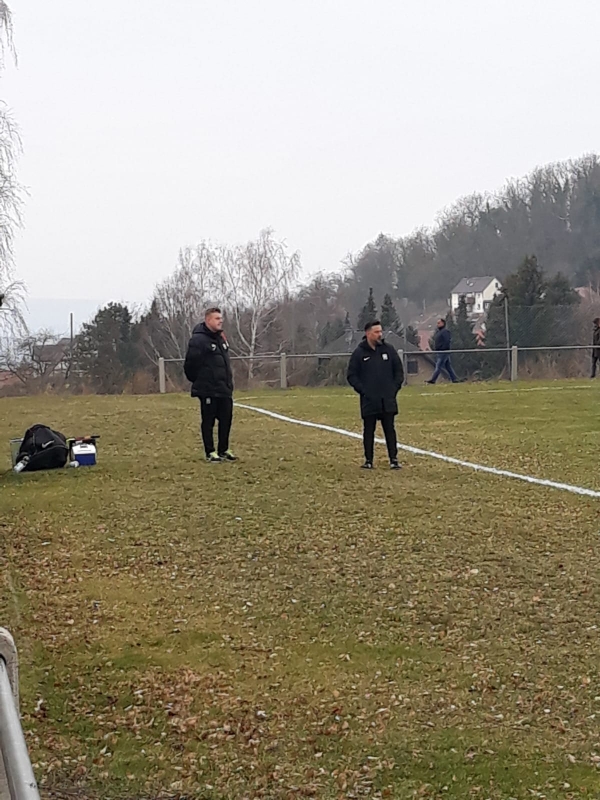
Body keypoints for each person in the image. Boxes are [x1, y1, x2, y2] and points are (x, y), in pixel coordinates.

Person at [347, 320, 404, 470]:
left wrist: (393, 389)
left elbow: (398, 371)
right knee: (369, 430)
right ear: (368, 333)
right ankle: (368, 460)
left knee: (389, 429)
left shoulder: (388, 350)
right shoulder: (359, 353)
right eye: (376, 332)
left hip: (387, 399)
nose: (380, 334)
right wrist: (364, 391)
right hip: (369, 400)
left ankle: (393, 459)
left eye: (380, 331)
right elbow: (352, 375)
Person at [184, 307, 237, 463]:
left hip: (224, 388)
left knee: (226, 419)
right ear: (208, 320)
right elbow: (190, 364)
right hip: (208, 389)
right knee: (208, 421)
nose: (220, 321)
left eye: (221, 318)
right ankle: (210, 451)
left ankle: (223, 449)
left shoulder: (221, 338)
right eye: (217, 318)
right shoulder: (198, 340)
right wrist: (200, 381)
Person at [426, 318, 459, 385]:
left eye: (439, 323)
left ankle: (433, 380)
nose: (437, 324)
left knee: (438, 366)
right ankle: (454, 379)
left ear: (443, 323)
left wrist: (443, 348)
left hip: (443, 352)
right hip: (440, 351)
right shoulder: (439, 332)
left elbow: (447, 341)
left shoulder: (445, 332)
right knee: (448, 366)